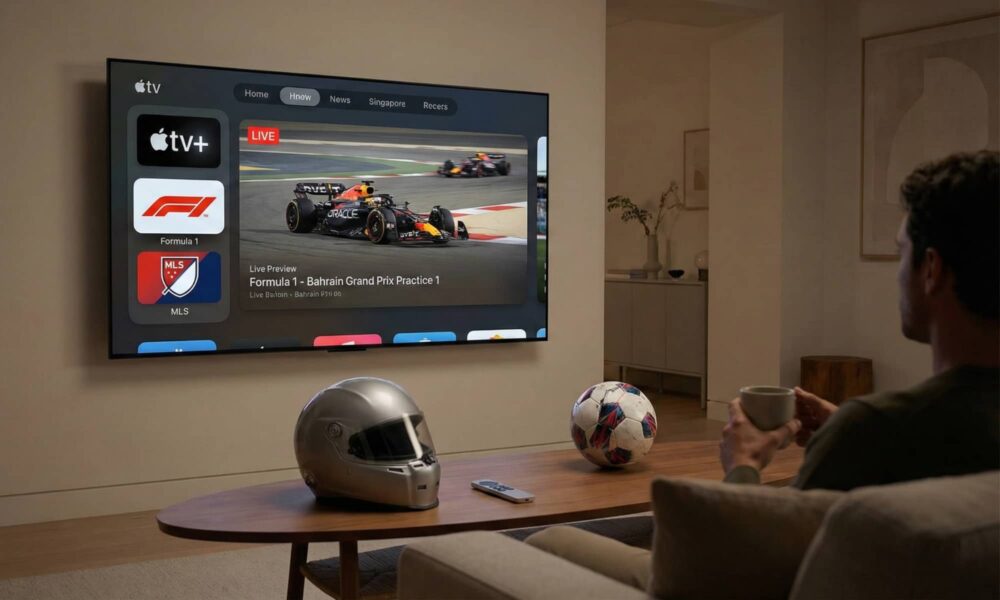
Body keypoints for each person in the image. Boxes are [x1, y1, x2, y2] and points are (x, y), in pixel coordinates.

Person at [721, 149, 1000, 490]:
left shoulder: (869, 433)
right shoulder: (879, 432)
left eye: (902, 253)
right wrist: (847, 426)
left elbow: (767, 541)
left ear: (931, 269)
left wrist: (743, 464)